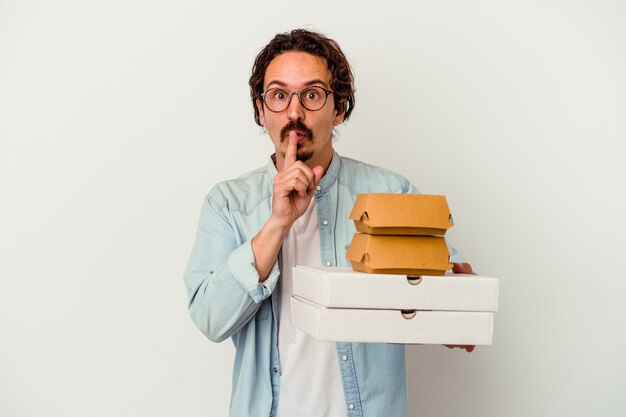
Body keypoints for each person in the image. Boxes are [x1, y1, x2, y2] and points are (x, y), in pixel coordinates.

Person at [184, 29, 474, 417]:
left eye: (313, 94)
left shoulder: (392, 193)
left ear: (339, 109)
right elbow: (210, 320)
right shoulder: (227, 204)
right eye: (279, 95)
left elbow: (446, 300)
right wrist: (277, 224)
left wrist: (455, 310)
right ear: (260, 110)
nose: (294, 112)